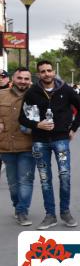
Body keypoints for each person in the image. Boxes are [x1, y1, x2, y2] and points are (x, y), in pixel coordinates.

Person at [19, 60, 80, 230]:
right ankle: (50, 215)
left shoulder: (65, 89)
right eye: (43, 71)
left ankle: (65, 211)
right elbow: (22, 118)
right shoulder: (32, 92)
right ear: (38, 74)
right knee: (44, 179)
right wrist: (37, 125)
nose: (47, 74)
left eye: (49, 70)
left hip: (61, 140)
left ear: (53, 72)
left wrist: (74, 129)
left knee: (64, 175)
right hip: (40, 142)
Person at [0, 67, 35, 225]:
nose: (23, 81)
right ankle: (17, 205)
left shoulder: (37, 96)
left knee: (26, 181)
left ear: (30, 80)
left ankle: (22, 211)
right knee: (13, 183)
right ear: (13, 79)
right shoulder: (1, 95)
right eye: (20, 78)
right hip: (6, 146)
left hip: (29, 145)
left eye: (26, 78)